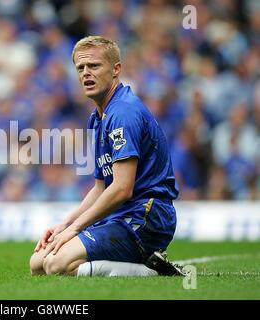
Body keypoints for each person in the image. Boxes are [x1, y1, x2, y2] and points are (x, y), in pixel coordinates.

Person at [29, 36, 184, 277]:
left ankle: (153, 271)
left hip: (145, 217)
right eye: (80, 68)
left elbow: (122, 188)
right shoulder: (98, 118)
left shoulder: (123, 112)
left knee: (56, 265)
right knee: (38, 262)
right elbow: (101, 187)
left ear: (116, 70)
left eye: (94, 66)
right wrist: (66, 225)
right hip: (121, 215)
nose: (86, 73)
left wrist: (77, 229)